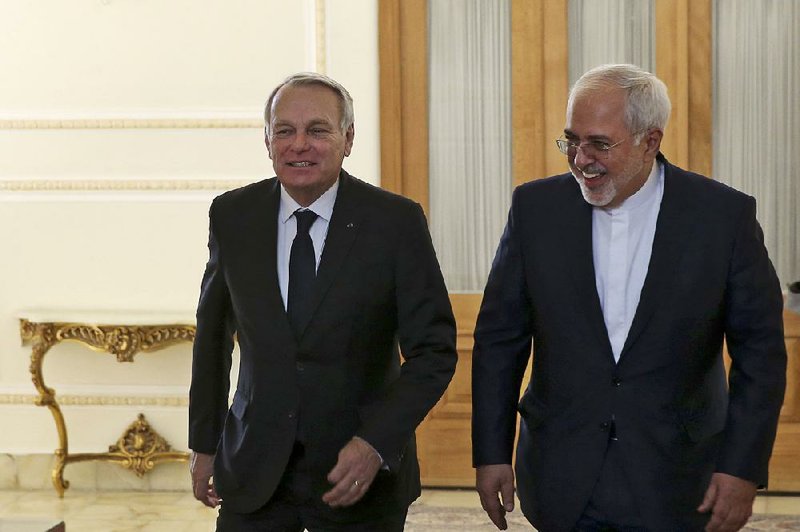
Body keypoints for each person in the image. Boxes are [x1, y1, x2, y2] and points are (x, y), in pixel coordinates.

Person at [472, 64, 786, 532]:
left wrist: (741, 468)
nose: (580, 159)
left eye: (599, 143)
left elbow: (760, 356)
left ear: (650, 141)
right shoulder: (535, 209)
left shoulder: (723, 217)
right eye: (571, 141)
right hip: (563, 470)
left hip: (678, 474)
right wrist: (491, 452)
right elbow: (500, 340)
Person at [189, 72, 457, 531]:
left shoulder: (394, 223)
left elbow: (433, 352)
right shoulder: (233, 216)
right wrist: (204, 444)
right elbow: (213, 339)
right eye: (284, 131)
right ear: (267, 140)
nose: (299, 145)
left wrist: (375, 442)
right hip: (254, 469)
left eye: (317, 130)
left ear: (348, 138)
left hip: (357, 476)